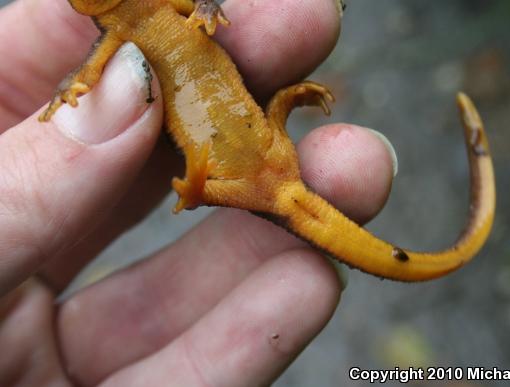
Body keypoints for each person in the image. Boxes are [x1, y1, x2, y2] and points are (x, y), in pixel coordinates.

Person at [0, 0, 396, 385]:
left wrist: (207, 9)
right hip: (235, 177)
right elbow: (84, 75)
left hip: (264, 152)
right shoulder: (117, 31)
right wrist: (67, 94)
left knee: (283, 147)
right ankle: (199, 186)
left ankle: (224, 164)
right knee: (265, 178)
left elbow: (199, 6)